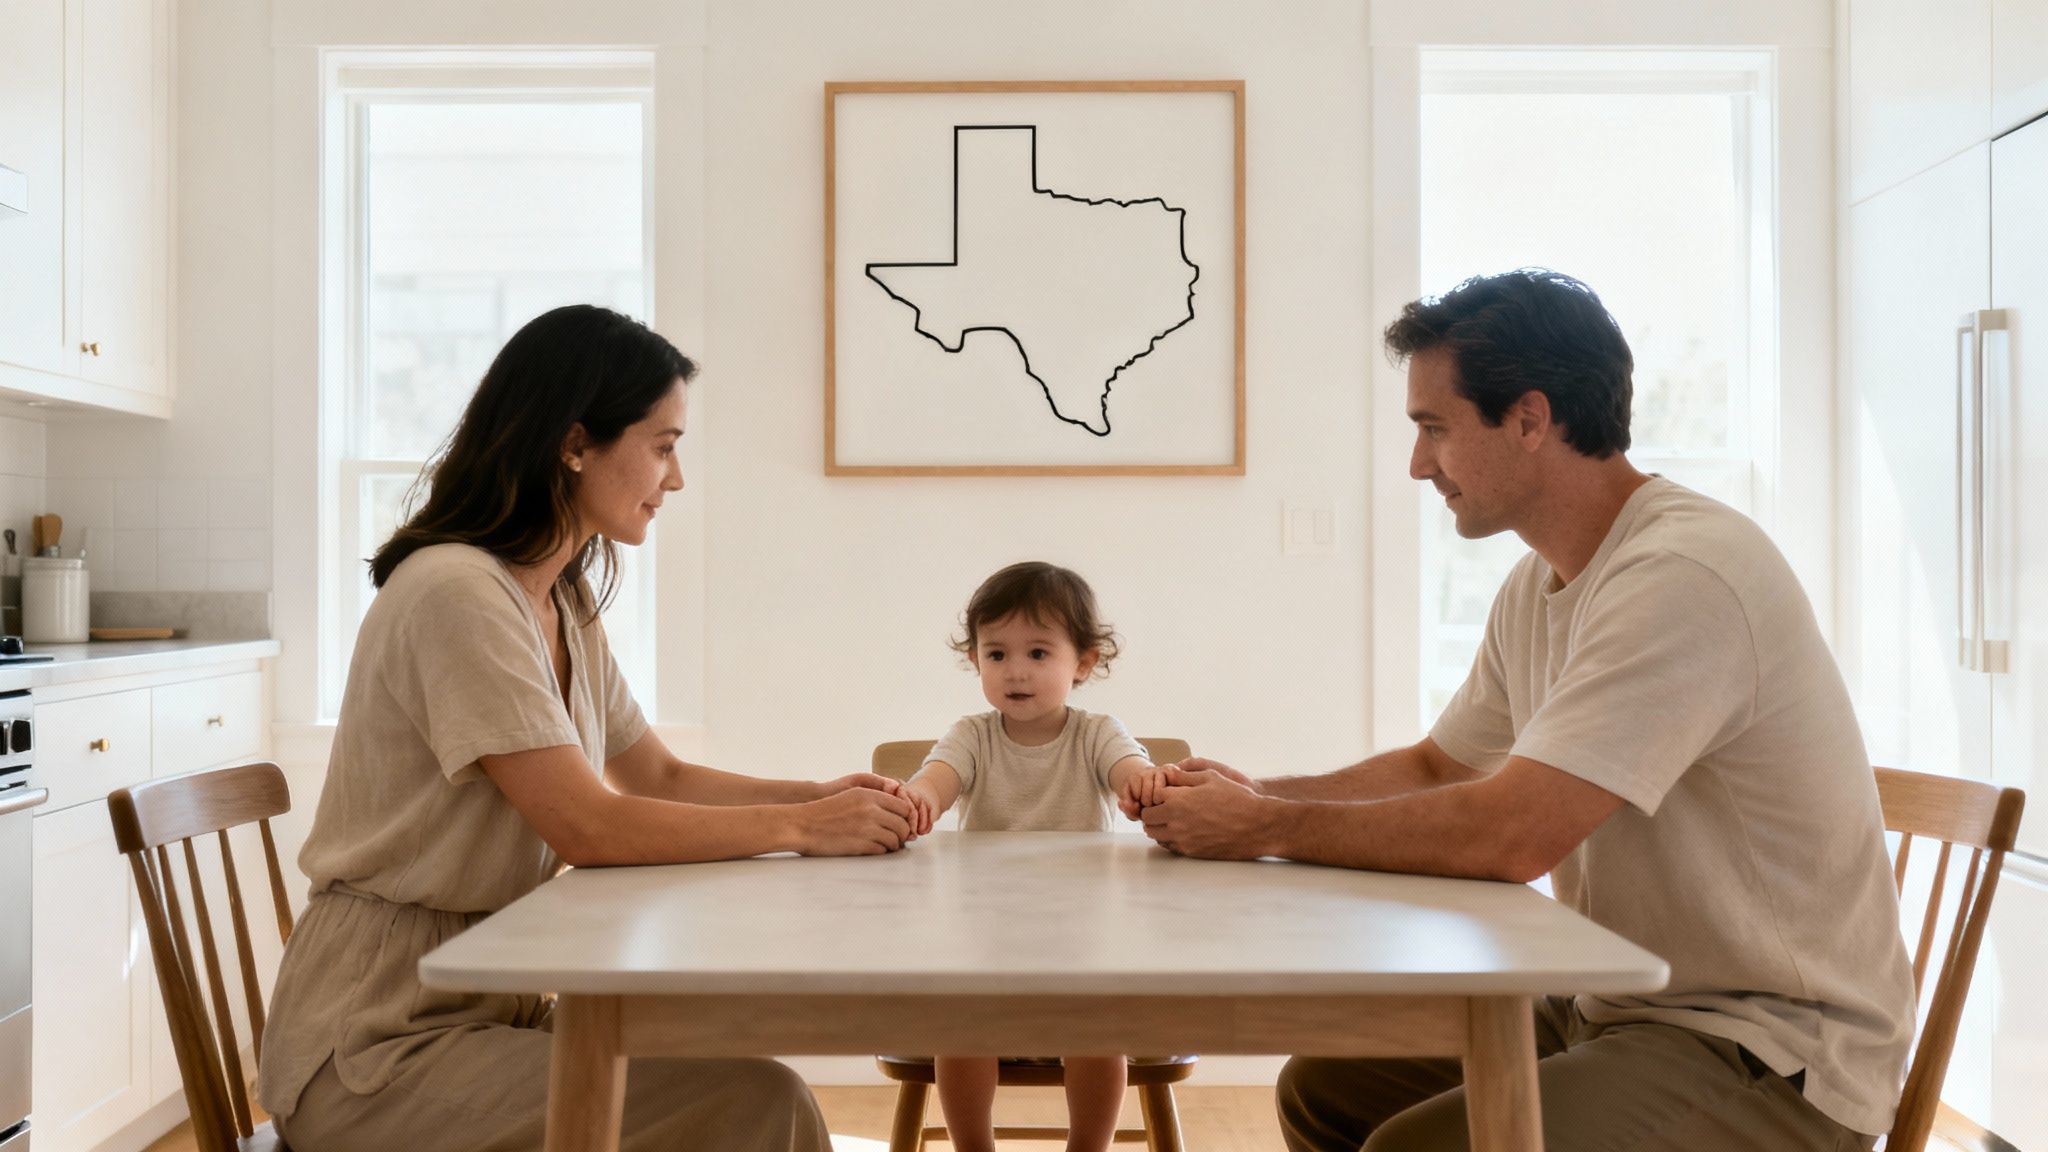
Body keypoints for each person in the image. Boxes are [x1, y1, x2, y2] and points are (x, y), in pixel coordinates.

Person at [1137, 270, 1916, 1152]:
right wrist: (1253, 795)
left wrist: (1261, 827)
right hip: (1619, 1003)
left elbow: (1512, 838)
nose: (1418, 463)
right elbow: (1439, 767)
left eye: (1434, 428)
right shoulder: (1541, 581)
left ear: (1531, 420)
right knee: (1325, 1090)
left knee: (1415, 1149)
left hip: (1772, 1049)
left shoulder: (1684, 576)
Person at [257, 304, 918, 1152]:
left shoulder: (559, 595)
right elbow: (588, 823)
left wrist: (818, 796)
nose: (675, 479)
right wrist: (800, 827)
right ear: (574, 444)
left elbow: (659, 777)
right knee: (760, 1103)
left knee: (746, 1083)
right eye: (664, 445)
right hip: (374, 1044)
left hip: (492, 1006)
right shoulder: (456, 593)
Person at [897, 561, 1170, 1152]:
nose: (1015, 671)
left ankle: (1087, 1146)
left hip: (1080, 939)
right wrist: (919, 799)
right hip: (987, 937)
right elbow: (936, 782)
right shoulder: (972, 734)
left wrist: (1141, 783)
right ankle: (974, 1145)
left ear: (1085, 662)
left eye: (1039, 654)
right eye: (996, 655)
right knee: (960, 1028)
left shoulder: (1096, 732)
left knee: (1099, 1033)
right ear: (976, 661)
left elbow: (1130, 770)